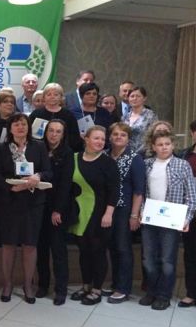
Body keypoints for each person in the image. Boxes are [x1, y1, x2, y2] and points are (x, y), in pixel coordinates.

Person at [0, 113, 51, 303]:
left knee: (30, 244)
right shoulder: (2, 148)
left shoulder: (39, 146)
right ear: (10, 129)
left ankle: (28, 284)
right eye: (16, 124)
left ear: (28, 127)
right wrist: (11, 187)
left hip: (33, 202)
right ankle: (7, 284)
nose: (20, 127)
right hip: (9, 201)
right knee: (8, 244)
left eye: (23, 124)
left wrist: (38, 176)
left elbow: (48, 171)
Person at [139, 130, 196, 310]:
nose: (164, 147)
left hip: (171, 220)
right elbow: (141, 192)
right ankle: (152, 291)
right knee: (148, 259)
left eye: (167, 144)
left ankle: (164, 295)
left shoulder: (182, 165)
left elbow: (191, 196)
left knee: (167, 260)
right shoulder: (147, 165)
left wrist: (187, 219)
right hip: (150, 219)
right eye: (160, 144)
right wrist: (140, 212)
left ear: (172, 145)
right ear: (153, 147)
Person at [69, 126, 118, 306]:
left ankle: (97, 289)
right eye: (96, 138)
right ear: (86, 139)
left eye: (103, 139)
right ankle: (86, 286)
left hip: (100, 214)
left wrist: (109, 213)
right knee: (84, 252)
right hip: (79, 213)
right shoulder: (74, 158)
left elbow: (114, 190)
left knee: (98, 252)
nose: (100, 142)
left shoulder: (108, 163)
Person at [104, 122, 145, 304]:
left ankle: (123, 288)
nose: (119, 137)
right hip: (107, 209)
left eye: (123, 135)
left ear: (128, 139)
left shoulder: (135, 159)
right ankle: (115, 283)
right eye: (115, 134)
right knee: (112, 247)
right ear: (110, 137)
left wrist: (134, 215)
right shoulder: (105, 155)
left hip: (124, 209)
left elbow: (139, 190)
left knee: (123, 247)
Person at [36, 119, 73, 305]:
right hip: (38, 205)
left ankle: (61, 290)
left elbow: (66, 184)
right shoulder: (38, 148)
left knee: (58, 250)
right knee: (41, 249)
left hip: (58, 207)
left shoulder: (67, 153)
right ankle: (43, 285)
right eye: (51, 130)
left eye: (58, 131)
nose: (54, 134)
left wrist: (58, 210)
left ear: (63, 134)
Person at [29, 83, 83, 151]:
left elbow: (74, 137)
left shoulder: (69, 115)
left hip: (63, 151)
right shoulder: (36, 114)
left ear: (61, 97)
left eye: (56, 94)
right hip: (39, 151)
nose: (52, 97)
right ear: (44, 97)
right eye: (49, 94)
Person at [178, 119, 196, 307]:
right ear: (192, 133)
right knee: (190, 253)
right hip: (190, 211)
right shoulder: (185, 155)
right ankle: (191, 293)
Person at [123, 86, 157, 152]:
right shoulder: (125, 116)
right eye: (132, 96)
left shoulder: (150, 115)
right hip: (127, 152)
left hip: (144, 153)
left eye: (138, 96)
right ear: (128, 99)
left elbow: (155, 135)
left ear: (144, 98)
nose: (135, 98)